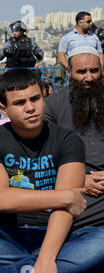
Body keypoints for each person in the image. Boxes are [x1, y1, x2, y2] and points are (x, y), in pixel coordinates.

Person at [0, 68, 104, 273]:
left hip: (59, 234)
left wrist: (46, 257)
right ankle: (61, 270)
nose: (30, 107)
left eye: (35, 98)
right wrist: (64, 195)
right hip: (8, 235)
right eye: (20, 103)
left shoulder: (68, 141)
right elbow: (2, 200)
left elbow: (65, 211)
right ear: (4, 109)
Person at [45, 46, 104, 229]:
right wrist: (80, 179)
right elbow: (43, 157)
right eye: (82, 72)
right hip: (73, 189)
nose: (89, 78)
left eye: (94, 71)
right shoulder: (52, 107)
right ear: (69, 72)